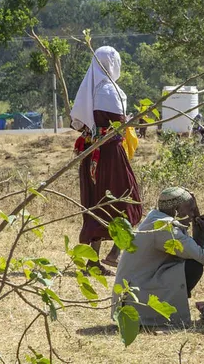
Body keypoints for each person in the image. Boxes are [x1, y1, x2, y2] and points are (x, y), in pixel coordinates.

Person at [71, 46, 142, 275]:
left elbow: (80, 123)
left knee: (96, 202)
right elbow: (118, 123)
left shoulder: (88, 90)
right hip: (110, 153)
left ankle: (94, 261)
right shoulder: (109, 91)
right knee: (128, 198)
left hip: (90, 153)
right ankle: (115, 253)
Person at [112, 187, 204, 328]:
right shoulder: (166, 228)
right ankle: (162, 315)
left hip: (135, 291)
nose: (193, 214)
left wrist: (195, 218)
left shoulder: (157, 218)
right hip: (135, 299)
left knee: (190, 261)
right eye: (190, 209)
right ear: (176, 210)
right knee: (193, 266)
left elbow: (193, 247)